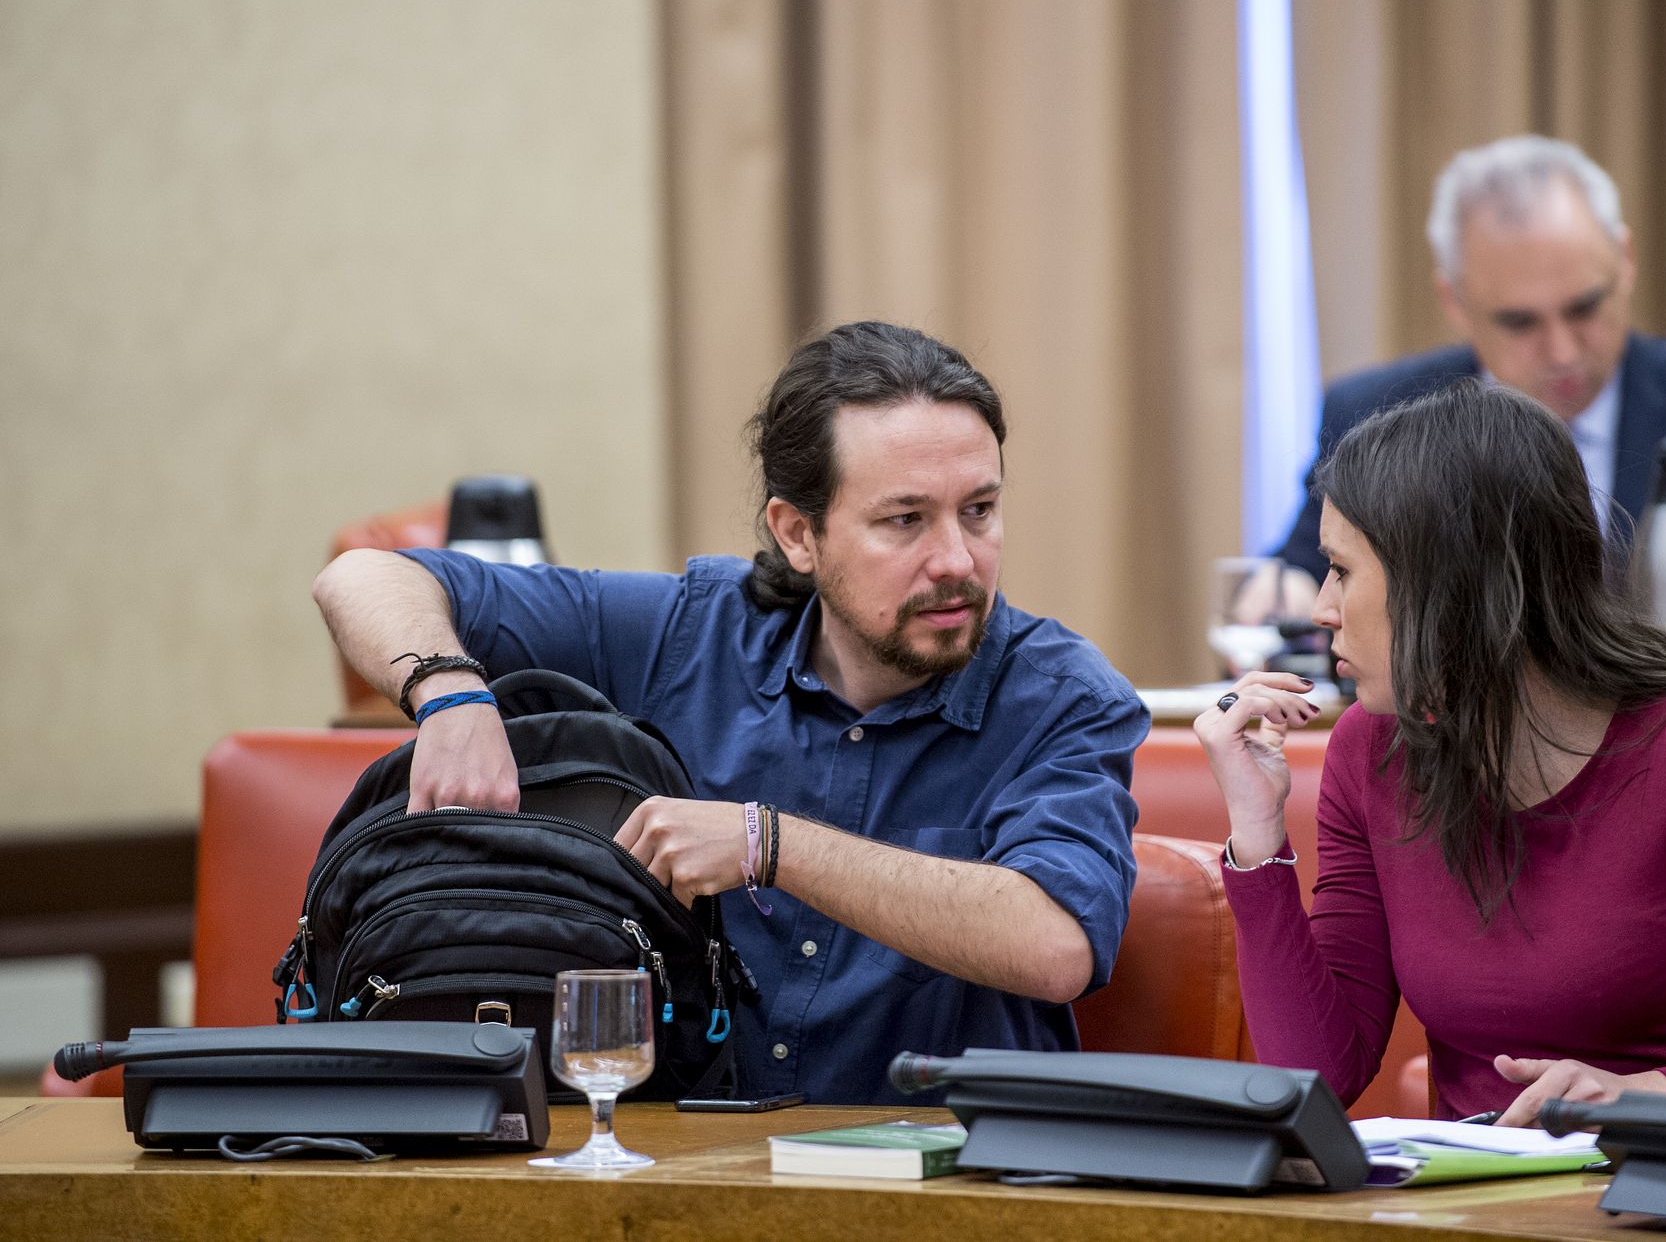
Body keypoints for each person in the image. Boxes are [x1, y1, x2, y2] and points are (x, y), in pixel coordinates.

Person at [312, 321, 1146, 1104]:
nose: (958, 559)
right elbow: (363, 578)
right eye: (906, 520)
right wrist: (451, 690)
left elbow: (1054, 944)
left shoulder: (1064, 697)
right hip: (683, 1179)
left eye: (979, 510)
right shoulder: (692, 632)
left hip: (941, 1185)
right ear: (798, 533)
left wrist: (764, 843)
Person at [1198, 380, 1666, 1125]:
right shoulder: (1371, 749)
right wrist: (1256, 830)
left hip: (1660, 1198)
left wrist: (1653, 1093)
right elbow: (1317, 1072)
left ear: (1449, 577)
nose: (1320, 609)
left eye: (1342, 570)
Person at [1272, 135, 1666, 644]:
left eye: (1584, 307)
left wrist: (1624, 651)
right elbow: (1296, 581)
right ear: (1454, 302)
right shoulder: (1374, 414)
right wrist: (1283, 598)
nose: (1562, 350)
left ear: (1626, 261)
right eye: (1520, 322)